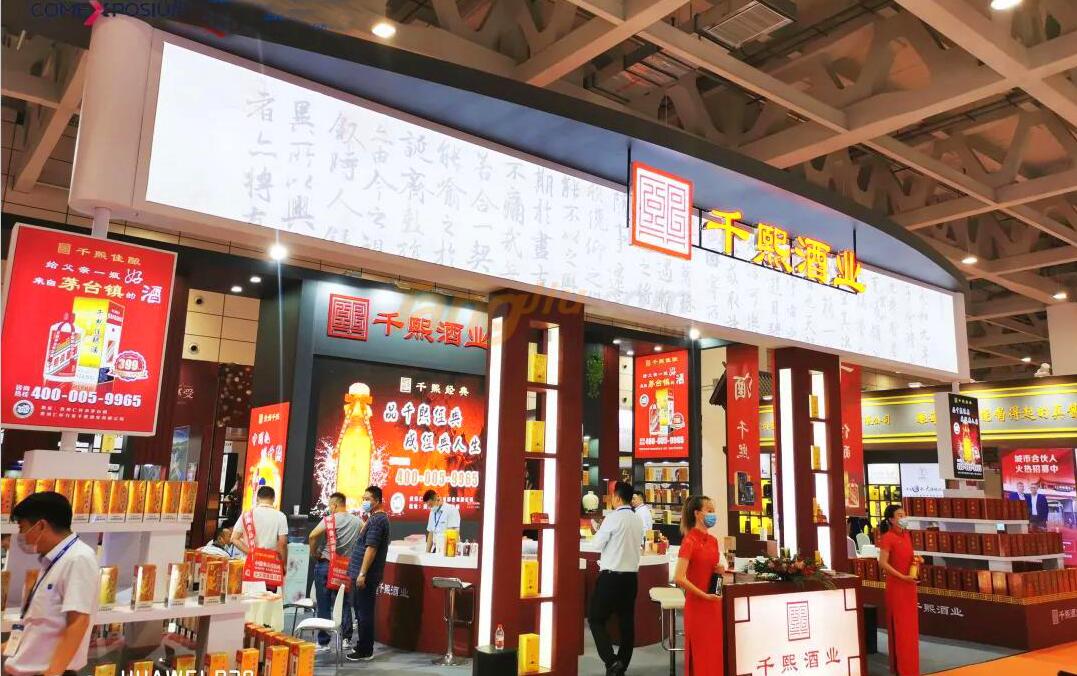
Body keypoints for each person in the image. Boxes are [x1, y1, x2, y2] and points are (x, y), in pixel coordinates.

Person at [3, 492, 100, 676]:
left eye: (22, 528)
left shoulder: (78, 558)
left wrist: (52, 673)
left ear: (41, 525)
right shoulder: (53, 562)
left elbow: (78, 622)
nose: (21, 536)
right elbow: (40, 626)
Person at [588, 481, 642, 676]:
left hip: (611, 578)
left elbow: (596, 545)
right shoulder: (638, 519)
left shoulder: (612, 518)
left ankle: (611, 661)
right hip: (631, 579)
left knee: (595, 618)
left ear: (617, 498)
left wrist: (598, 532)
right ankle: (621, 665)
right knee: (626, 622)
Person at [672, 495, 723, 675]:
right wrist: (703, 595)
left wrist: (719, 571)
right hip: (697, 605)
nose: (713, 514)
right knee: (700, 654)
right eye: (709, 510)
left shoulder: (713, 540)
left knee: (714, 652)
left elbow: (711, 571)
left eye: (713, 511)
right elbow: (679, 577)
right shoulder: (689, 541)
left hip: (713, 603)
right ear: (697, 514)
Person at [308, 492, 360, 650]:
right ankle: (346, 639)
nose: (329, 508)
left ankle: (323, 642)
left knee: (323, 603)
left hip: (326, 564)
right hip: (345, 567)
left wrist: (314, 553)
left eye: (330, 505)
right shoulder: (357, 521)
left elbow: (312, 535)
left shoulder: (329, 520)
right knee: (343, 603)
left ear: (335, 505)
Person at [346, 486, 390, 662]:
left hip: (367, 575)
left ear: (377, 500)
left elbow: (371, 549)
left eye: (367, 499)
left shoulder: (378, 520)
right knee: (361, 611)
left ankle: (365, 650)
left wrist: (362, 573)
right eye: (363, 498)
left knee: (364, 613)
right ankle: (362, 645)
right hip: (362, 573)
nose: (364, 502)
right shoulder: (373, 518)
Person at [878, 504, 919, 676]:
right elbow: (882, 563)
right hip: (897, 587)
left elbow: (908, 558)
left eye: (904, 515)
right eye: (900, 515)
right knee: (900, 628)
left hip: (909, 585)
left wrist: (917, 562)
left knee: (911, 629)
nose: (903, 518)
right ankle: (901, 670)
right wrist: (902, 577)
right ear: (891, 520)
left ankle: (912, 668)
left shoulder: (907, 535)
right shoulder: (887, 537)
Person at [231, 485, 289, 590]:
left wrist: (251, 552)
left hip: (250, 564)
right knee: (268, 597)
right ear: (273, 499)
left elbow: (234, 538)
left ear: (257, 498)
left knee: (248, 597)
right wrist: (284, 564)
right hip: (271, 567)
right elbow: (282, 543)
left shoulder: (247, 515)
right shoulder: (281, 516)